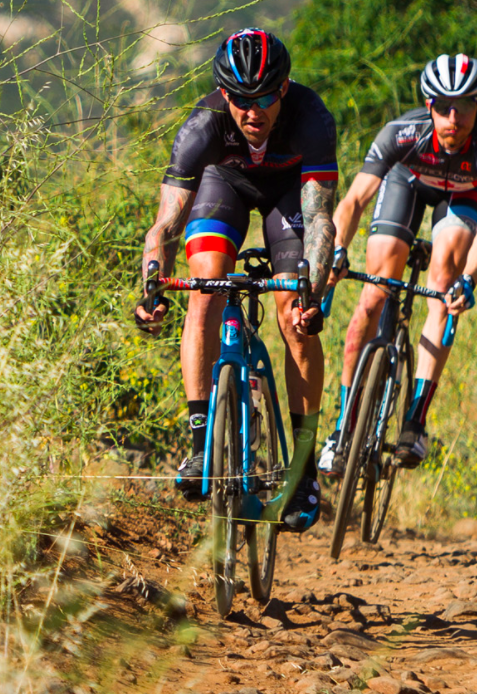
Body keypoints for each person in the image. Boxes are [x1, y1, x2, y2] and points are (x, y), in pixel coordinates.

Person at [134, 28, 338, 530]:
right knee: (203, 289)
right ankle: (201, 441)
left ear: (284, 88)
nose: (253, 111)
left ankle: (304, 467)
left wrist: (311, 289)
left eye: (265, 96)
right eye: (241, 99)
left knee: (294, 317)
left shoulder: (311, 119)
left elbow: (320, 220)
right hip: (223, 185)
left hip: (289, 196)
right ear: (224, 94)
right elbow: (164, 225)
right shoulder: (203, 125)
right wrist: (152, 286)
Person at [319, 54, 477, 476]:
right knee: (374, 293)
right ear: (429, 106)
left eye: (464, 106)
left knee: (444, 284)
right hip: (406, 181)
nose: (453, 117)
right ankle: (343, 428)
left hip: (461, 198)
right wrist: (336, 250)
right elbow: (354, 201)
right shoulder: (403, 133)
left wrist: (469, 279)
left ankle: (415, 422)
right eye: (443, 105)